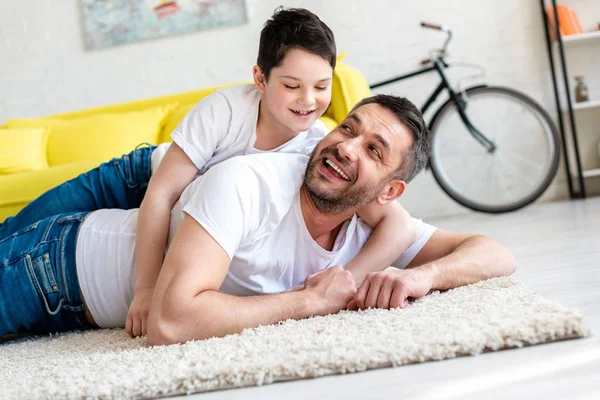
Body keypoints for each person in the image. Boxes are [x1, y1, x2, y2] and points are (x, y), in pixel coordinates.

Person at [0, 8, 417, 338]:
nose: (308, 101)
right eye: (292, 86)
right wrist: (146, 290)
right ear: (260, 78)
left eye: (321, 87)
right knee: (13, 231)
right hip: (137, 178)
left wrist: (349, 281)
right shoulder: (224, 112)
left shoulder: (322, 142)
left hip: (188, 197)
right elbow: (160, 197)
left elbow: (396, 225)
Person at [0, 94, 516, 343]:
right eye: (348, 129)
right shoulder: (248, 183)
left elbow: (496, 253)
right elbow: (170, 320)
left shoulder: (369, 225)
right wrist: (308, 302)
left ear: (389, 191)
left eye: (374, 150)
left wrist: (419, 275)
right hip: (55, 266)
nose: (346, 147)